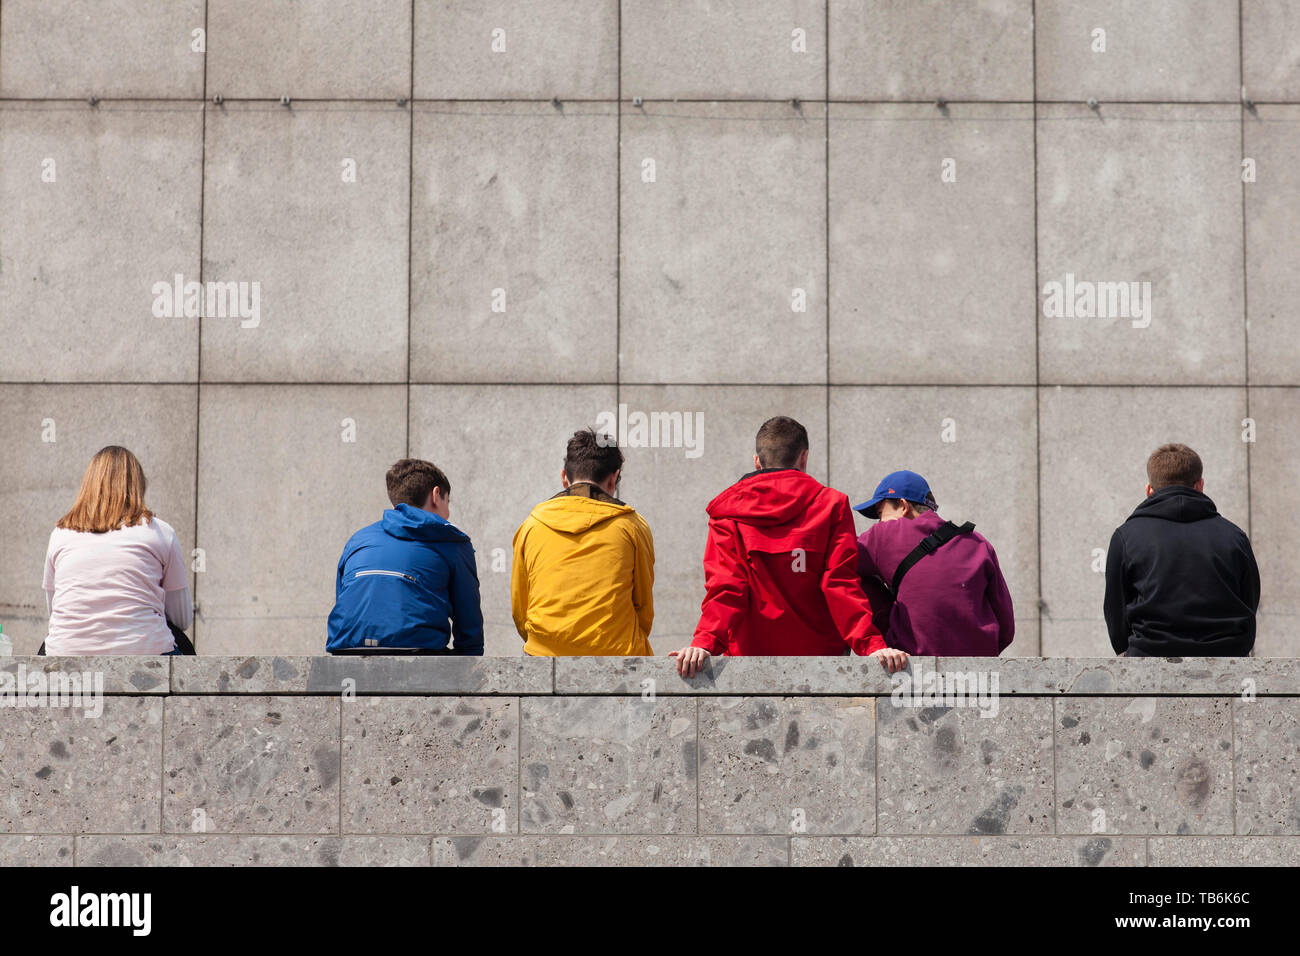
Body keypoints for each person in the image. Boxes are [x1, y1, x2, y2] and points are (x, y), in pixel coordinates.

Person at [671, 416, 906, 676]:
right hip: (822, 665)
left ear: (757, 461)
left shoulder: (728, 513)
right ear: (803, 458)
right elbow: (840, 584)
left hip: (748, 665)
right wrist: (871, 645)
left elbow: (727, 587)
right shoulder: (831, 506)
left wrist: (704, 642)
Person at [1104, 443, 1259, 657]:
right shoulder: (1234, 536)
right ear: (1200, 485)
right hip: (1227, 657)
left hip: (1148, 657)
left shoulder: (1126, 536)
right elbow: (1249, 602)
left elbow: (1116, 611)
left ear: (1149, 490)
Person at [511, 428, 654, 656]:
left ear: (564, 477)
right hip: (619, 657)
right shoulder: (633, 526)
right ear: (614, 478)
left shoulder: (532, 526)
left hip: (544, 656)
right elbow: (643, 606)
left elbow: (521, 609)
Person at [42, 445, 192, 655]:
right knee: (184, 646)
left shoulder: (60, 534)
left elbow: (55, 609)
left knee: (46, 647)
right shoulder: (160, 532)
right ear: (138, 486)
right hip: (146, 652)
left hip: (67, 653)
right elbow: (181, 618)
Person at [327, 459, 483, 654]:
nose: (448, 513)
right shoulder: (451, 541)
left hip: (345, 652)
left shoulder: (358, 539)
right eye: (447, 502)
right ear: (436, 495)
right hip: (418, 655)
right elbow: (468, 625)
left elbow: (345, 598)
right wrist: (468, 672)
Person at [854, 470, 1014, 656]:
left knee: (853, 579)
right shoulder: (979, 543)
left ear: (903, 506)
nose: (879, 521)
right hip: (977, 667)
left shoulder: (884, 534)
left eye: (881, 513)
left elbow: (837, 562)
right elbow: (1006, 626)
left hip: (910, 661)